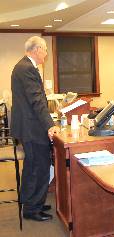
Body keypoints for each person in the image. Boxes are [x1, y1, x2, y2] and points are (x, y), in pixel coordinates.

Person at [11, 36, 60, 221]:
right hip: (31, 128)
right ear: (37, 49)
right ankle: (32, 209)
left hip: (29, 126)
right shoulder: (27, 68)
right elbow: (37, 100)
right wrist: (50, 125)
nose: (46, 54)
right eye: (45, 50)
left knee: (34, 165)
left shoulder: (24, 66)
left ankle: (34, 202)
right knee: (38, 166)